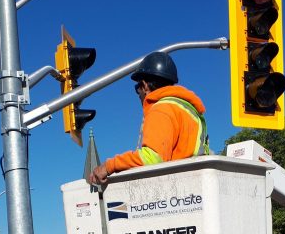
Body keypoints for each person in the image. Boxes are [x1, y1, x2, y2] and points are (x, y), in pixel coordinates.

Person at [88, 52, 209, 185]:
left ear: (145, 85)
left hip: (177, 192)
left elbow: (152, 158)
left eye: (137, 88)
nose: (138, 94)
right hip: (194, 187)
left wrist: (109, 166)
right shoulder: (187, 111)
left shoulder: (161, 109)